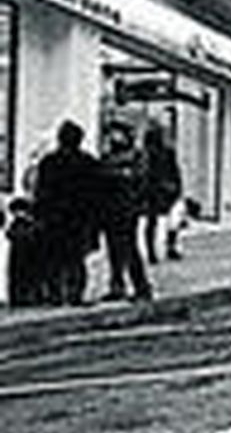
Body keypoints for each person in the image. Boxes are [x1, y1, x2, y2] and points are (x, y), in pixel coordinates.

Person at [33, 120, 101, 305]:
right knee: (75, 259)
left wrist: (39, 215)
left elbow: (41, 191)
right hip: (79, 217)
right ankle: (74, 294)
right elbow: (96, 195)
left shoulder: (49, 162)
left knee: (54, 258)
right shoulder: (88, 162)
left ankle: (55, 295)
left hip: (55, 217)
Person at [100, 121, 153, 302]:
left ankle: (141, 287)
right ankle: (117, 285)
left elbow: (139, 180)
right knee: (114, 249)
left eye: (117, 134)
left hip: (127, 208)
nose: (113, 138)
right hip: (110, 208)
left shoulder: (136, 156)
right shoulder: (108, 157)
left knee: (129, 248)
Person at [140, 124, 184, 262]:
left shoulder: (149, 154)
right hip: (157, 190)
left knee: (164, 221)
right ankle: (160, 250)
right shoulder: (149, 154)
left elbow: (175, 170)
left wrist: (177, 186)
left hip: (158, 190)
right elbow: (175, 171)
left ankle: (157, 251)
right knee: (167, 221)